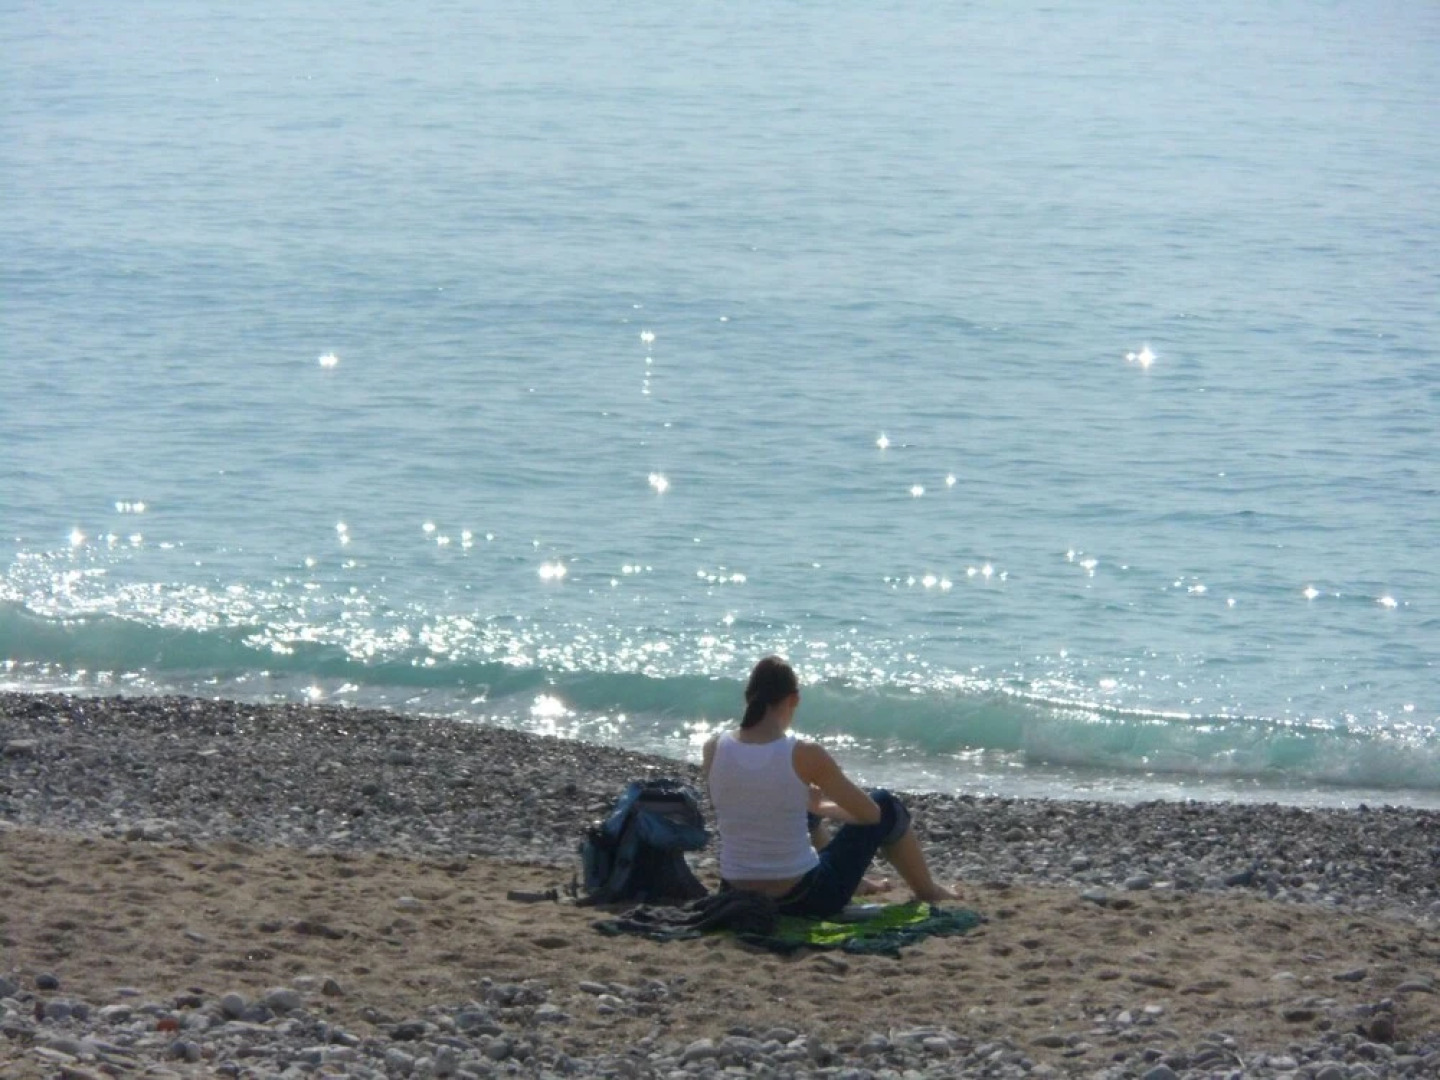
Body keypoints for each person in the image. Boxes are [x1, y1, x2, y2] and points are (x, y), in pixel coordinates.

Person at [702, 655, 959, 919]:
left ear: (749, 698)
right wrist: (820, 806)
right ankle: (927, 890)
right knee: (886, 804)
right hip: (802, 897)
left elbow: (726, 804)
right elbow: (870, 815)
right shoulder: (804, 753)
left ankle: (860, 883)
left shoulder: (713, 747)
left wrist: (808, 806)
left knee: (791, 805)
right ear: (794, 700)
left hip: (734, 891)